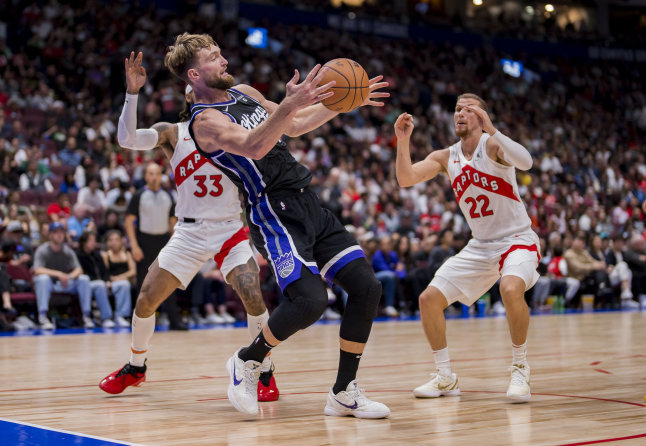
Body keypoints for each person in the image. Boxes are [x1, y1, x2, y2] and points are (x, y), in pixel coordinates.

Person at [165, 33, 390, 418]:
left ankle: (343, 392)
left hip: (307, 201)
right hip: (273, 210)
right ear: (194, 74)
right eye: (214, 57)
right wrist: (287, 105)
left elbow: (296, 125)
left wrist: (342, 102)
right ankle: (247, 361)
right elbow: (254, 146)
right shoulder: (204, 122)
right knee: (310, 301)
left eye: (221, 52)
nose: (224, 60)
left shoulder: (245, 92)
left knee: (366, 288)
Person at [99, 51, 279, 402]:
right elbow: (127, 140)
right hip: (189, 231)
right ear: (189, 89)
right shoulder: (173, 133)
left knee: (253, 299)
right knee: (146, 299)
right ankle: (136, 367)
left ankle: (264, 370)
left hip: (230, 227)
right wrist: (132, 92)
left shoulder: (231, 124)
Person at [394, 93, 540, 403]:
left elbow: (526, 162)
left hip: (517, 239)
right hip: (481, 246)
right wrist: (403, 140)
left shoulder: (493, 146)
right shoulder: (446, 157)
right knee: (428, 299)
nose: (460, 113)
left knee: (511, 289)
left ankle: (520, 367)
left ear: (482, 117)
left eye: (468, 109)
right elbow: (406, 179)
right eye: (457, 109)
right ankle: (445, 376)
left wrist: (493, 129)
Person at [124, 162, 187, 330]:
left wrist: (173, 244)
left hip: (163, 242)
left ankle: (174, 321)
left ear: (161, 176)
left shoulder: (168, 196)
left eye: (157, 174)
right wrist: (134, 246)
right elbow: (129, 221)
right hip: (143, 243)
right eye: (150, 174)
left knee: (169, 282)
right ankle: (139, 324)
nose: (154, 177)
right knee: (143, 285)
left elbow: (173, 223)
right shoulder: (138, 195)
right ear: (145, 176)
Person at [32, 222, 92, 329]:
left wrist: (69, 277)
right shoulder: (42, 250)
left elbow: (79, 269)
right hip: (50, 284)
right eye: (55, 232)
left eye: (61, 232)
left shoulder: (67, 250)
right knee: (42, 279)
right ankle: (43, 317)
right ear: (49, 235)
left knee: (84, 279)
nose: (59, 235)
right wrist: (59, 274)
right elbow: (37, 270)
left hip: (65, 283)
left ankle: (86, 316)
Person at [76, 231, 131, 328]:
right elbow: (81, 273)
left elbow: (105, 272)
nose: (93, 243)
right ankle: (106, 318)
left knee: (124, 284)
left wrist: (108, 282)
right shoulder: (78, 255)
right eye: (91, 240)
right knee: (99, 285)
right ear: (84, 242)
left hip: (103, 283)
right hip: (89, 285)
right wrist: (102, 282)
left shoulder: (97, 255)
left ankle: (120, 316)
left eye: (94, 240)